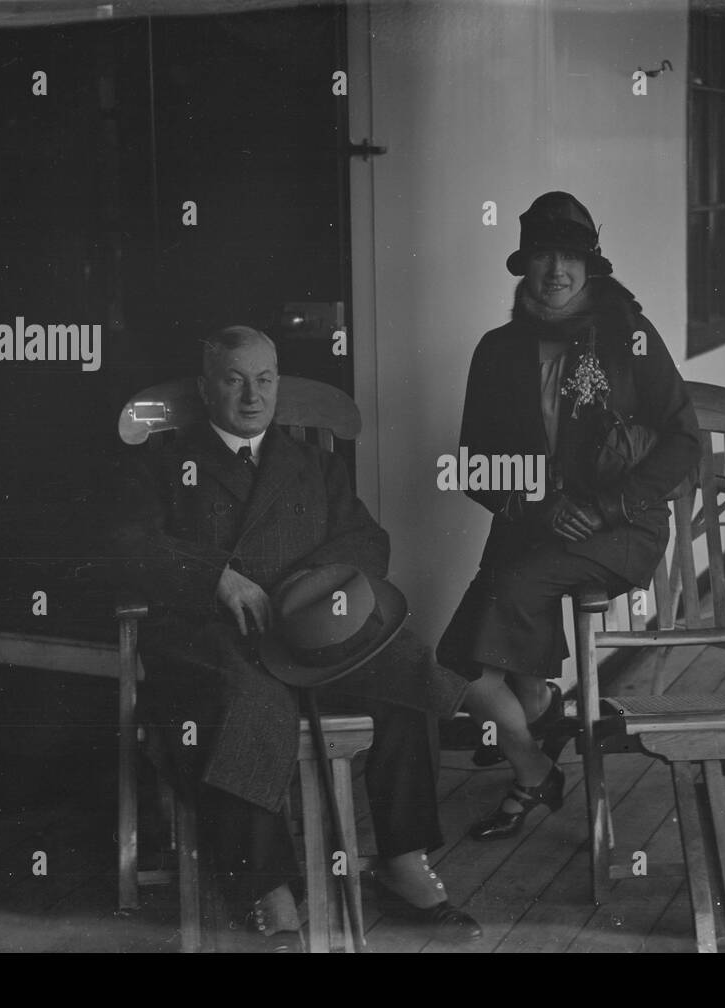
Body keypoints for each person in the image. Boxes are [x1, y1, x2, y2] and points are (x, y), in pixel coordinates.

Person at [110, 325, 481, 950]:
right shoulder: (167, 464)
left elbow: (369, 543)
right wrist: (216, 578)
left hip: (308, 633)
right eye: (234, 379)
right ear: (207, 389)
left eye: (265, 379)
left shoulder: (313, 463)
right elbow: (127, 547)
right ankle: (269, 890)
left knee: (410, 671)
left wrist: (313, 586)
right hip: (213, 634)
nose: (252, 396)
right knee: (251, 703)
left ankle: (403, 858)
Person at [439, 191, 702, 841]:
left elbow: (684, 441)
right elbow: (476, 463)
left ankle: (534, 763)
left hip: (625, 527)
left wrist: (607, 504)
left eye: (569, 256)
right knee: (452, 666)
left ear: (591, 267)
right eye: (540, 256)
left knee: (503, 598)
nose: (555, 269)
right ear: (523, 265)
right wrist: (539, 501)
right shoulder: (499, 351)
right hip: (534, 525)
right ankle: (538, 739)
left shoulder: (628, 335)